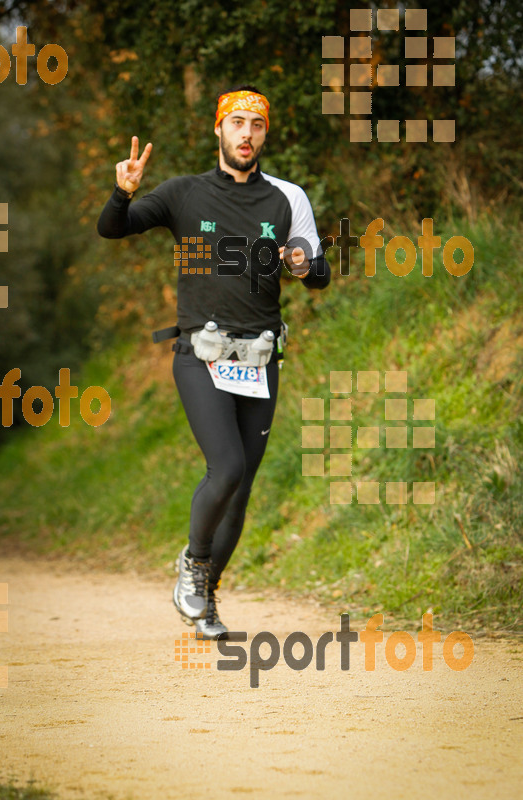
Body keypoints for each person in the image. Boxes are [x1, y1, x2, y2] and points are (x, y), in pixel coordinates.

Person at [97, 85, 330, 638]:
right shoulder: (184, 194)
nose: (246, 133)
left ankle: (205, 596)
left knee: (240, 489)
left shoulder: (287, 198)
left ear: (265, 134)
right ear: (218, 130)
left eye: (256, 124)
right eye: (237, 122)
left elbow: (317, 272)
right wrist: (121, 192)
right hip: (199, 355)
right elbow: (114, 228)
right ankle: (193, 564)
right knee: (224, 467)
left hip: (260, 358)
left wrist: (301, 262)